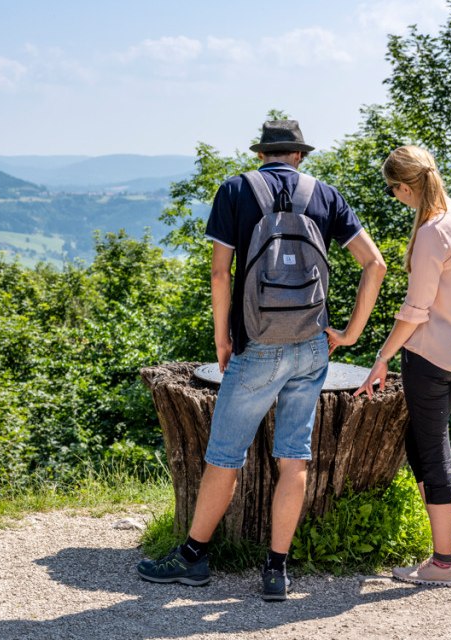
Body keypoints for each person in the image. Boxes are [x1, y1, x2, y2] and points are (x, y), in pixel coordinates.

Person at [136, 120, 386, 600]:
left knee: (224, 457)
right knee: (294, 460)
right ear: (298, 155)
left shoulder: (235, 190)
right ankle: (276, 571)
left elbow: (219, 272)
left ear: (263, 153)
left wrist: (223, 340)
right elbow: (374, 264)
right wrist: (350, 334)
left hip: (256, 346)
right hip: (313, 346)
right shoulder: (325, 194)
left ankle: (192, 558)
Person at [353, 145, 451, 587]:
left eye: (393, 191)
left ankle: (443, 562)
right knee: (420, 443)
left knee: (432, 452)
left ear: (406, 186)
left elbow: (415, 310)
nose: (396, 197)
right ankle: (439, 545)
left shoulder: (431, 233)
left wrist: (382, 358)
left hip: (429, 357)